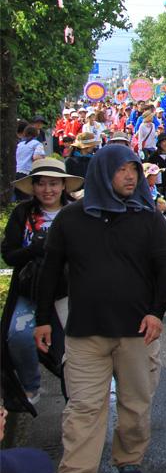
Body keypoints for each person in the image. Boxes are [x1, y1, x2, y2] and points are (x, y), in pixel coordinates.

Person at [33, 145, 166, 473]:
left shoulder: (148, 217)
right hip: (85, 332)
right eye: (121, 169)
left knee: (134, 404)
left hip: (137, 334)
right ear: (101, 172)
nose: (130, 176)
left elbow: (163, 269)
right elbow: (50, 270)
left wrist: (156, 313)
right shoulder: (71, 219)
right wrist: (43, 320)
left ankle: (129, 456)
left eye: (134, 170)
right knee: (83, 407)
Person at [1, 159, 82, 406]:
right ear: (33, 187)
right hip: (30, 289)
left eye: (54, 184)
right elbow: (9, 255)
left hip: (68, 291)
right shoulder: (22, 214)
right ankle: (30, 386)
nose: (48, 190)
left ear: (64, 186)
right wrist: (35, 249)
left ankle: (76, 397)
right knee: (18, 335)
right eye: (42, 184)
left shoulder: (77, 212)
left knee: (73, 347)